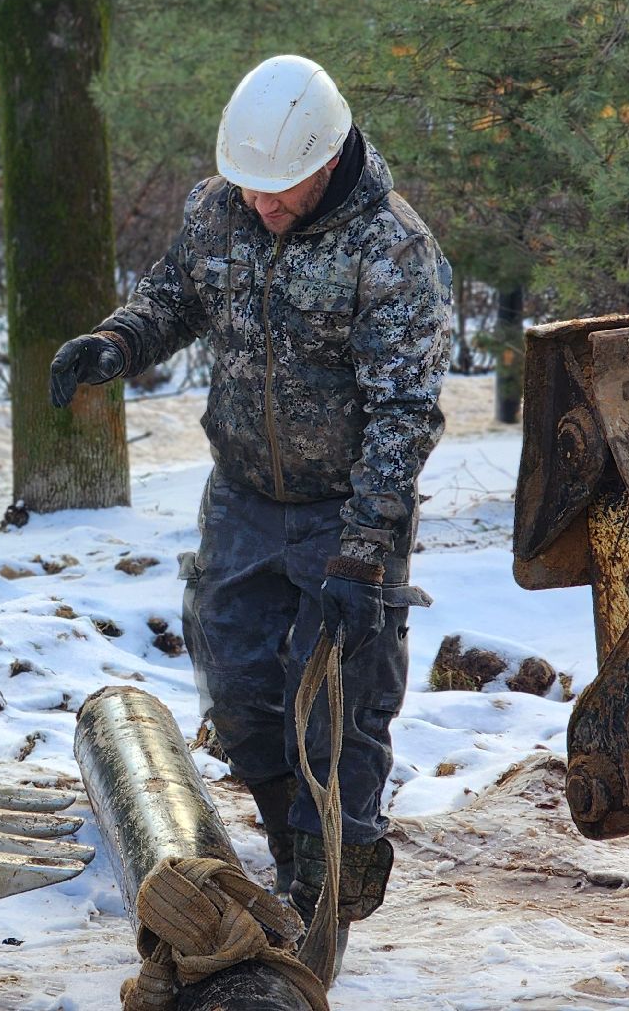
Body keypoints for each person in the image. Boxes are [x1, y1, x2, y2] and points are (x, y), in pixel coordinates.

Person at [48, 55, 452, 948]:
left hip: (348, 507)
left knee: (339, 703)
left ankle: (333, 871)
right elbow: (175, 297)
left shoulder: (390, 250)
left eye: (280, 192)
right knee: (235, 689)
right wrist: (115, 344)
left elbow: (404, 411)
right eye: (250, 189)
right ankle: (292, 837)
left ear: (329, 154)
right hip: (242, 498)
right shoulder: (218, 209)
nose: (261, 207)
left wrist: (364, 550)